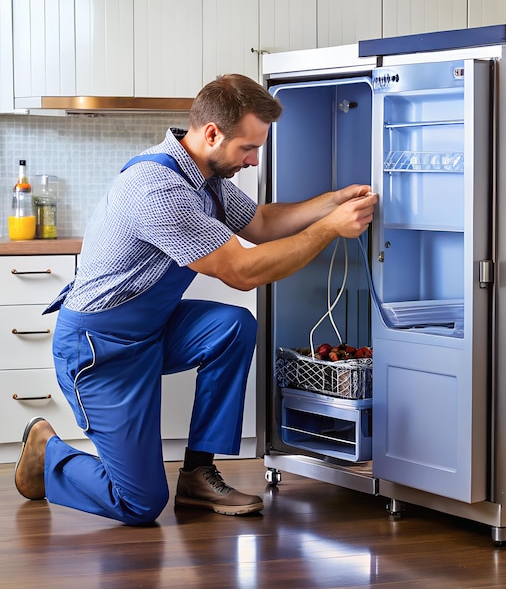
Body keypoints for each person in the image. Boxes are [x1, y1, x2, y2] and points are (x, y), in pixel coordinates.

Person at [14, 74, 377, 525]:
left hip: (153, 329)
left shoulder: (205, 176)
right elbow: (242, 272)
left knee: (232, 327)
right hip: (101, 349)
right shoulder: (159, 188)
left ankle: (198, 474)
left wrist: (333, 202)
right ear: (212, 134)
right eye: (248, 148)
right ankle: (48, 454)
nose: (254, 159)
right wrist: (330, 228)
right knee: (139, 504)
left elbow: (261, 222)